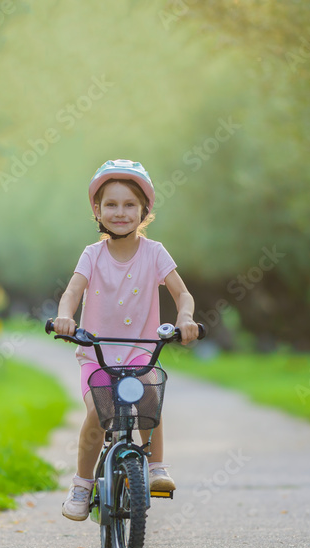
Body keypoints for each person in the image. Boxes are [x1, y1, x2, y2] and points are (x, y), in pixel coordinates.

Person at [52, 159, 199, 521]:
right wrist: (66, 318)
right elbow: (72, 292)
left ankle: (156, 466)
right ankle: (83, 483)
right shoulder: (92, 254)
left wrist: (185, 318)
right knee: (95, 413)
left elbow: (183, 295)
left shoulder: (155, 253)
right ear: (97, 211)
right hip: (97, 355)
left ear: (144, 210)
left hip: (140, 353)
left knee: (152, 395)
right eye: (111, 205)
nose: (120, 212)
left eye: (129, 204)